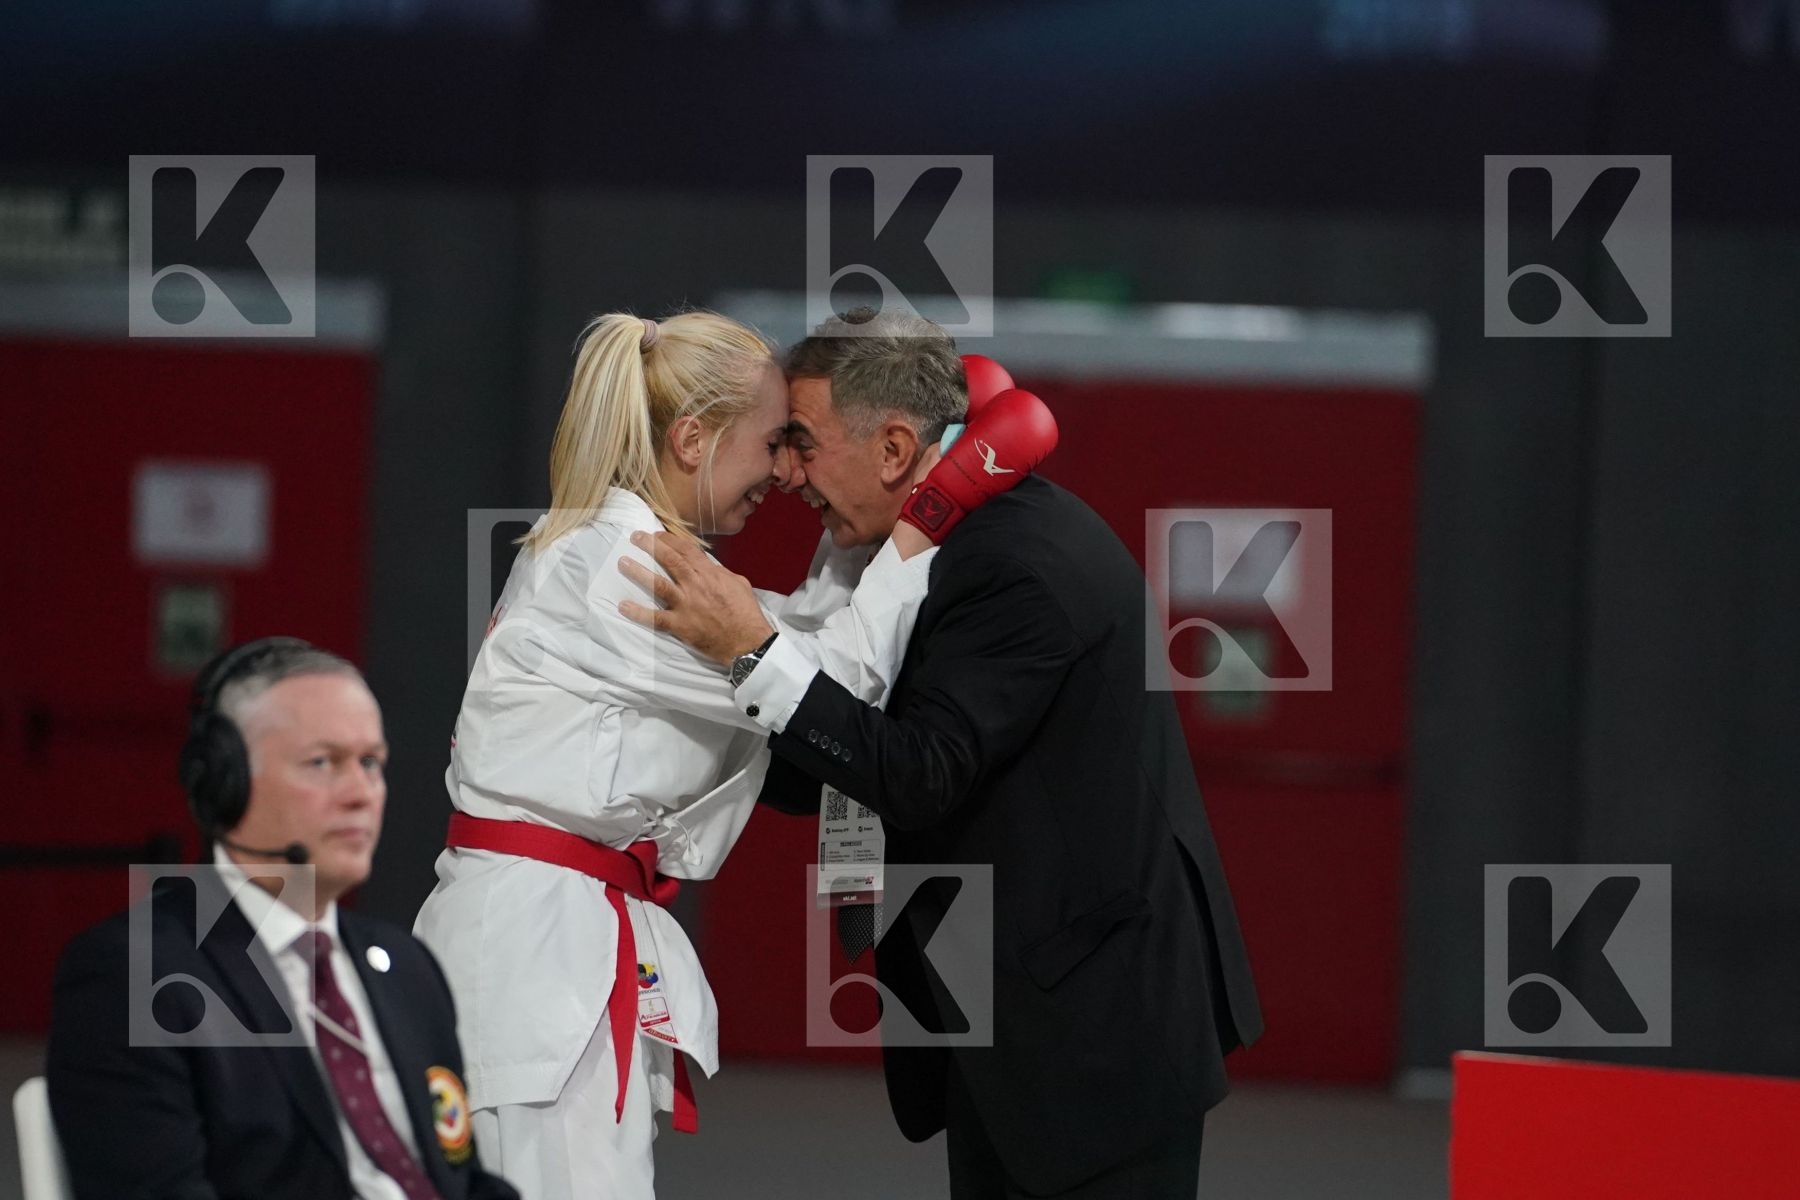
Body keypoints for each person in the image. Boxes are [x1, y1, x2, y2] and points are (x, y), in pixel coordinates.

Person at [620, 308, 1265, 1199]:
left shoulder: (1015, 565)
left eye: (800, 442)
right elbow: (835, 760)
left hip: (1095, 1040)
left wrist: (753, 655)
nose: (783, 470)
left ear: (893, 449)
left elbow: (916, 772)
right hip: (1018, 1022)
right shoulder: (935, 552)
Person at [412, 309, 1052, 1200]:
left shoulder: (637, 549)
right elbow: (831, 676)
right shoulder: (630, 573)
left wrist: (860, 521)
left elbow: (791, 634)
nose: (787, 472)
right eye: (773, 443)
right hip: (539, 950)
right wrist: (929, 513)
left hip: (553, 933)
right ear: (691, 439)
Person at [46, 637, 519, 1200]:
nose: (360, 793)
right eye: (323, 763)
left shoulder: (408, 968)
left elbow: (463, 1182)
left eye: (371, 763)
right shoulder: (139, 971)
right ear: (224, 780)